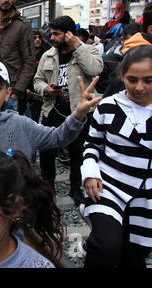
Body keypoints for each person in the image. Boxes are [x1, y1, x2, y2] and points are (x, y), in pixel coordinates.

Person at [81, 45, 152, 268]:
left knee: (134, 254)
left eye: (148, 80)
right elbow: (92, 144)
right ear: (122, 77)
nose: (139, 88)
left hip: (147, 194)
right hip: (109, 186)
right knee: (106, 245)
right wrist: (90, 174)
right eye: (132, 80)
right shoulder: (109, 106)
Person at [33, 15, 103, 206]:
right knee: (47, 153)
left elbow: (95, 69)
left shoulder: (88, 50)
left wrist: (77, 46)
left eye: (56, 34)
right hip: (52, 112)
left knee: (78, 153)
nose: (52, 38)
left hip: (79, 114)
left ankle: (75, 188)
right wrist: (46, 89)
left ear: (69, 34)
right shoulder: (48, 55)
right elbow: (37, 81)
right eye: (51, 33)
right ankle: (49, 189)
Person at [98, 22, 143, 96]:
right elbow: (100, 87)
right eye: (131, 41)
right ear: (122, 40)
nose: (135, 46)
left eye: (139, 42)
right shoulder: (107, 60)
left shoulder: (147, 61)